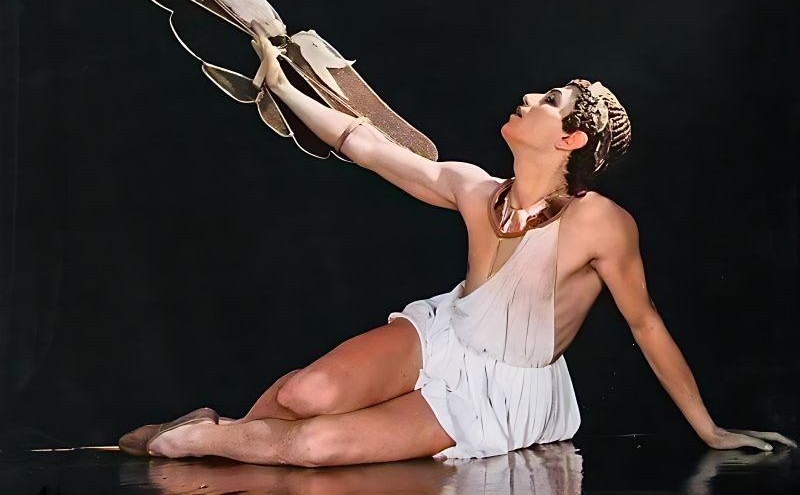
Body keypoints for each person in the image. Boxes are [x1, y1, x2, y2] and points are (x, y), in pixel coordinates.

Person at [118, 36, 797, 466]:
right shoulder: (476, 189)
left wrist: (709, 429)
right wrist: (282, 86)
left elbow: (645, 323)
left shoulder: (602, 224)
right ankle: (206, 431)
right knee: (302, 393)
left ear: (570, 141)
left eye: (548, 100)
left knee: (317, 444)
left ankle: (188, 439)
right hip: (445, 336)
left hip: (500, 389)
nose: (528, 98)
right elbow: (363, 144)